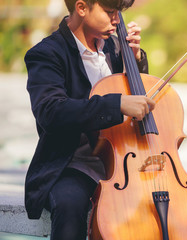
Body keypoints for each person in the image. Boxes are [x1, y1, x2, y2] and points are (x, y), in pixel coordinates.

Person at [24, 0, 155, 239]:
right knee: (69, 204)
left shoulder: (116, 49)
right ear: (82, 8)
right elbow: (51, 112)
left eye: (119, 13)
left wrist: (135, 62)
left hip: (126, 163)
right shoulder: (46, 54)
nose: (117, 20)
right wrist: (116, 103)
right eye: (109, 12)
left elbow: (138, 101)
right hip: (74, 164)